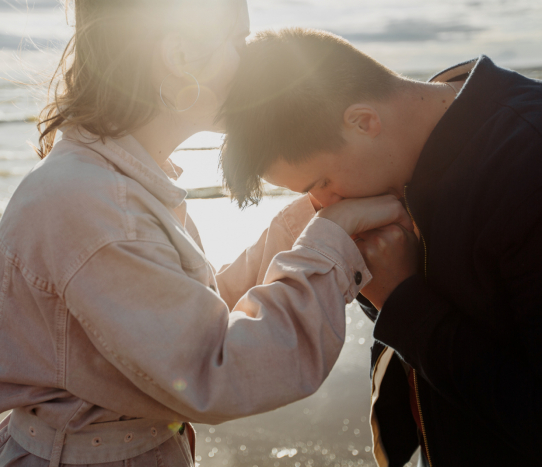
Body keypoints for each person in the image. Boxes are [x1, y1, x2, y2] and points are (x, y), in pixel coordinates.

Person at [0, 4, 412, 467]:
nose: (251, 56)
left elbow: (193, 314)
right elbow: (216, 370)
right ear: (179, 55)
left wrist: (309, 221)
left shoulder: (115, 179)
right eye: (239, 40)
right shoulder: (97, 205)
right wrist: (330, 243)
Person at [220, 27, 542, 466]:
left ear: (363, 121)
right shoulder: (415, 150)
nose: (323, 207)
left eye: (321, 184)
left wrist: (402, 301)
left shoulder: (526, 163)